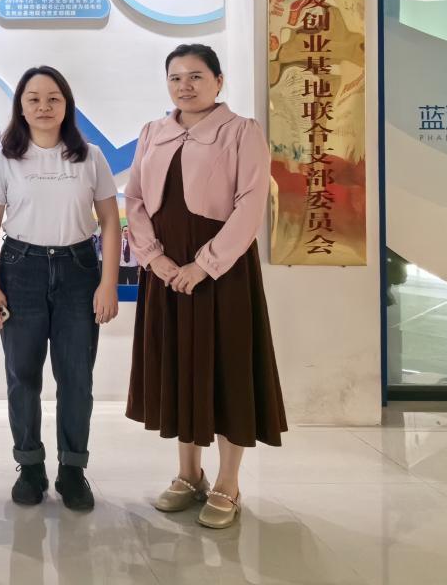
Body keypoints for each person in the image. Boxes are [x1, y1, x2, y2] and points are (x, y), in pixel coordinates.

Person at [124, 43, 286, 530]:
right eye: (175, 78)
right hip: (167, 272)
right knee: (179, 365)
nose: (185, 86)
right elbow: (135, 200)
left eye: (196, 76)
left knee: (227, 368)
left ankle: (228, 483)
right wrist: (155, 258)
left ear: (218, 81)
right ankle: (188, 474)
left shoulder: (242, 131)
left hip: (222, 273)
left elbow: (251, 204)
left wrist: (204, 265)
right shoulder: (153, 132)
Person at [0, 66, 121, 512]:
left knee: (76, 377)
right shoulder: (5, 159)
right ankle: (30, 466)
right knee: (22, 375)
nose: (43, 106)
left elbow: (110, 221)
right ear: (20, 107)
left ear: (66, 105)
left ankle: (72, 470)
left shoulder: (90, 156)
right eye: (33, 99)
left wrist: (108, 283)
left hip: (79, 270)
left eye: (53, 98)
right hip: (21, 269)